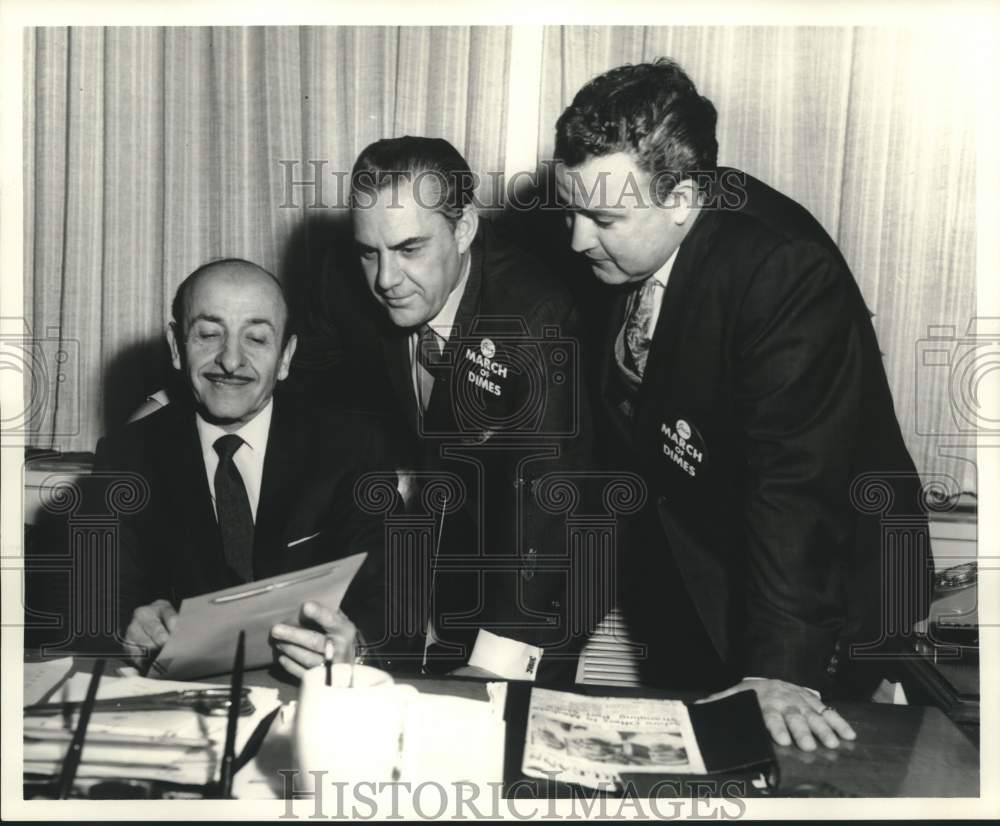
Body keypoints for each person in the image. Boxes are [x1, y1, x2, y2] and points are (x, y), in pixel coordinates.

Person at [553, 60, 932, 750]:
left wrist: (781, 671)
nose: (577, 239)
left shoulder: (781, 270)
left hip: (823, 604)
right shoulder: (620, 254)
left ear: (684, 198)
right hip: (696, 577)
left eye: (603, 217)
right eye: (571, 210)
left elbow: (797, 485)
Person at [281, 136, 598, 683]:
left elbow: (552, 507)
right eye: (370, 252)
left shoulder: (535, 320)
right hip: (436, 536)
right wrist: (173, 398)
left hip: (541, 560)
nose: (385, 279)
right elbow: (302, 371)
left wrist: (494, 663)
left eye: (409, 249)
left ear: (465, 228)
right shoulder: (347, 281)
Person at [91, 258, 394, 673]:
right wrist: (127, 628)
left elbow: (396, 601)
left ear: (286, 357)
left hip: (312, 697)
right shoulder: (125, 459)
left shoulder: (351, 448)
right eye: (209, 334)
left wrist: (355, 651)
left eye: (255, 338)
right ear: (177, 347)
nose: (230, 360)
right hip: (181, 704)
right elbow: (98, 605)